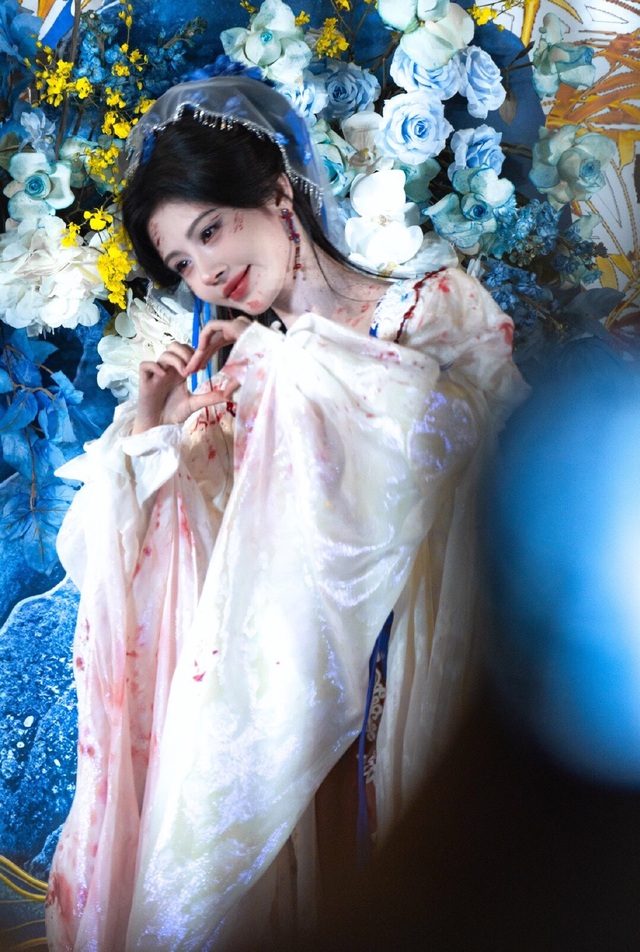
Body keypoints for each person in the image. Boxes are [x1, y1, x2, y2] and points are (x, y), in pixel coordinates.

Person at [45, 73, 527, 952]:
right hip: (290, 710)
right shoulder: (241, 375)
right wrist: (158, 436)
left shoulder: (430, 307)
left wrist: (302, 368)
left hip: (420, 668)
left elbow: (491, 464)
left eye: (210, 231)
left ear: (276, 192)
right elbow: (203, 575)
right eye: (181, 264)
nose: (206, 272)